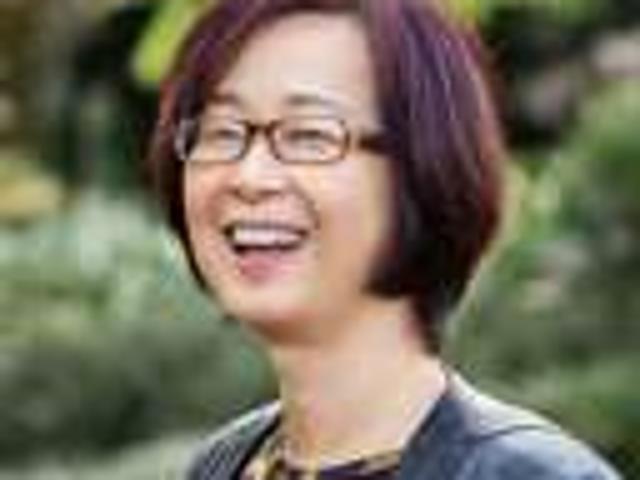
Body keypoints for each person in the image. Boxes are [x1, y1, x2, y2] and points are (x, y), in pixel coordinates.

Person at [145, 0, 621, 478]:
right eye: (222, 132)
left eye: (308, 135)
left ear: (424, 167)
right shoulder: (225, 465)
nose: (249, 177)